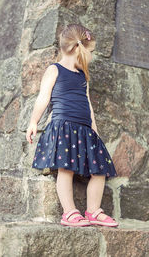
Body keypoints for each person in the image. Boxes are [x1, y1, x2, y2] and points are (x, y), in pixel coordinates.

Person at [26, 23, 119, 227]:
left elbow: (87, 103)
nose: (92, 57)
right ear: (78, 48)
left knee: (100, 169)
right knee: (65, 169)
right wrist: (34, 121)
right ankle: (69, 212)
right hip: (64, 126)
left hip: (85, 129)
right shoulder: (54, 69)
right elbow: (43, 97)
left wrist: (94, 129)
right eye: (91, 52)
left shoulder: (82, 75)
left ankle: (93, 211)